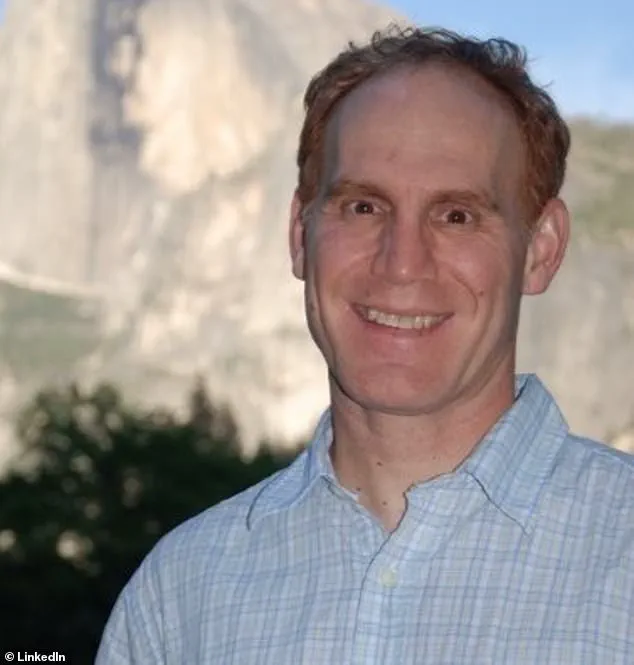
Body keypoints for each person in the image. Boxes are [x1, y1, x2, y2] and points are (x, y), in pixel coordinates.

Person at [96, 25, 634, 664]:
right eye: (363, 208)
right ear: (301, 234)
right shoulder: (178, 596)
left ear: (540, 250)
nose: (401, 264)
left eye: (456, 216)